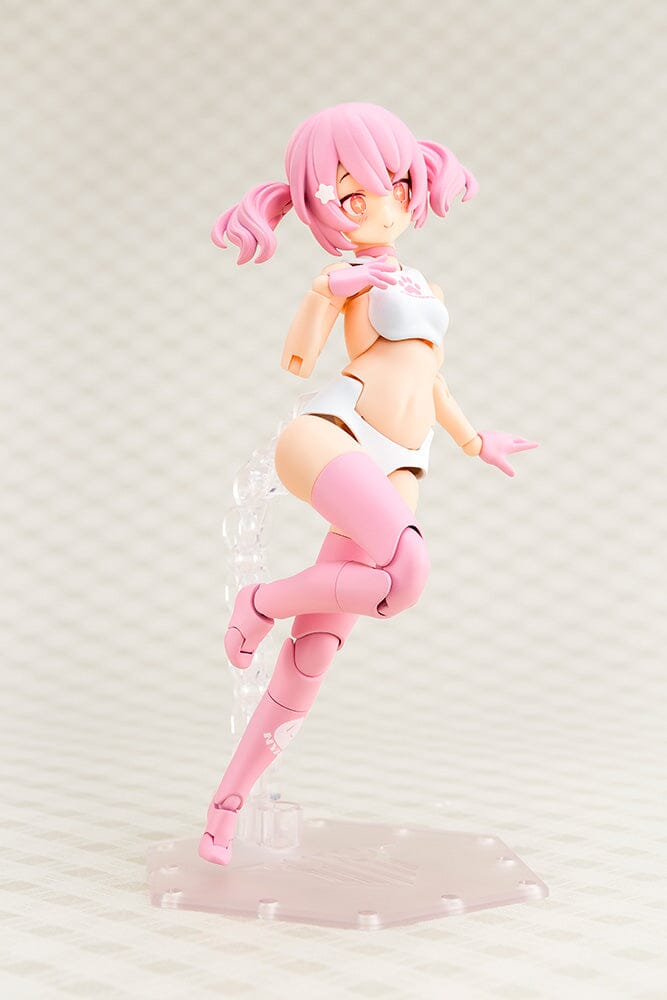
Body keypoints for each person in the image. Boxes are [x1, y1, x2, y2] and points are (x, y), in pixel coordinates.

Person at [199, 103, 537, 865]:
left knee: (313, 655)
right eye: (351, 196)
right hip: (333, 434)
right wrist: (328, 291)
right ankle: (261, 602)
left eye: (396, 185)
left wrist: (475, 440)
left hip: (401, 461)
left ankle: (225, 808)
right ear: (322, 208)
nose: (382, 206)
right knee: (406, 571)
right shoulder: (342, 278)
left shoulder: (424, 285)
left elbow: (429, 378)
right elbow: (295, 362)